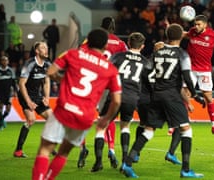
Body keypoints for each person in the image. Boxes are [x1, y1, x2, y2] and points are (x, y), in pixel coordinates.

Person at [32, 28, 122, 180]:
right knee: (63, 153)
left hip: (64, 110)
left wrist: (65, 80)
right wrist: (106, 119)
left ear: (87, 41)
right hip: (85, 117)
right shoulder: (111, 69)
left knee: (45, 150)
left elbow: (50, 72)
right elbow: (117, 100)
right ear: (106, 46)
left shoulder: (72, 54)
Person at [121, 23, 205, 178]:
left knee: (148, 131)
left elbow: (146, 70)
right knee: (186, 129)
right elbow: (187, 76)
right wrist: (196, 95)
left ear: (167, 36)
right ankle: (186, 170)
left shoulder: (157, 53)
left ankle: (128, 162)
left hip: (156, 95)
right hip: (172, 95)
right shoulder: (182, 54)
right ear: (180, 37)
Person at [91, 32, 148, 172]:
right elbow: (149, 83)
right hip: (132, 97)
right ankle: (124, 161)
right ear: (143, 46)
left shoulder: (118, 56)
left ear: (128, 43)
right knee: (125, 127)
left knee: (101, 127)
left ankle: (98, 162)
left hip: (115, 95)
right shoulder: (146, 62)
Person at [77, 16, 127, 169]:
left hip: (92, 83)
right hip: (110, 84)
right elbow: (125, 60)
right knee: (108, 119)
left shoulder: (93, 40)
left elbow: (80, 53)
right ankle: (111, 149)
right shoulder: (120, 43)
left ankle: (83, 148)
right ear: (113, 27)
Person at [13, 41, 53, 158]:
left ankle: (48, 147)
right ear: (37, 51)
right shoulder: (29, 64)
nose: (46, 49)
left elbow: (46, 82)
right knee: (31, 120)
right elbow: (21, 84)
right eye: (43, 48)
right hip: (24, 94)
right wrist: (29, 101)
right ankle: (18, 150)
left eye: (46, 47)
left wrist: (46, 97)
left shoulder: (47, 64)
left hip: (37, 94)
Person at [0, 56, 17, 130]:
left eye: (6, 60)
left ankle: (2, 119)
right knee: (0, 108)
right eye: (3, 60)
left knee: (8, 109)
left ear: (8, 62)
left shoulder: (10, 70)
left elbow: (14, 81)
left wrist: (16, 91)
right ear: (1, 62)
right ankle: (0, 126)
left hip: (9, 92)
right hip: (0, 93)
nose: (4, 62)